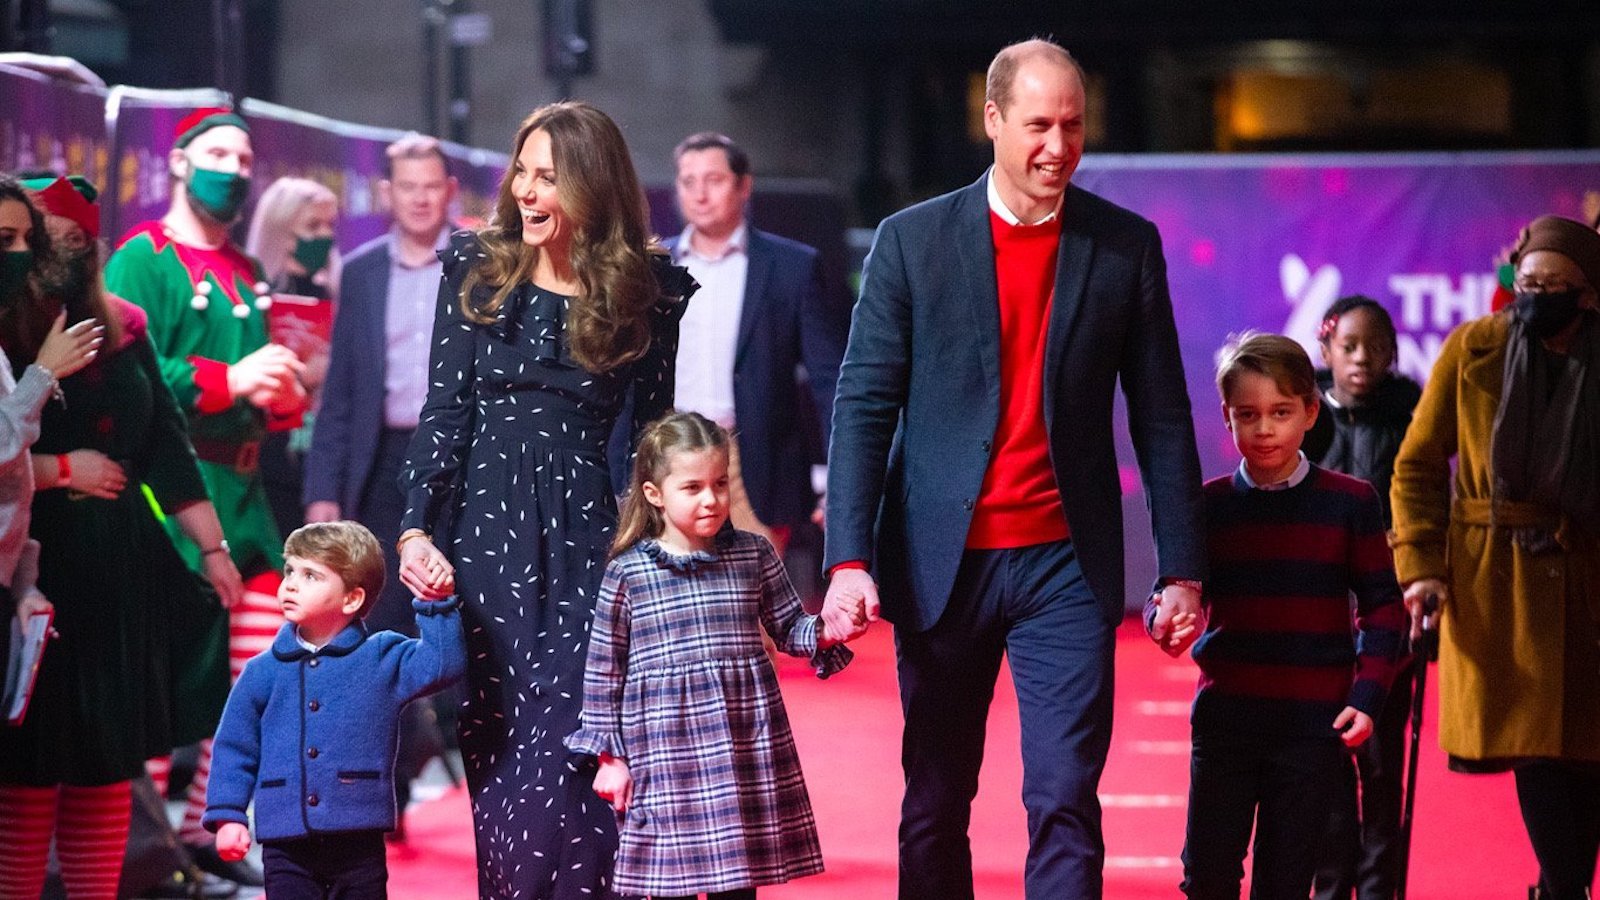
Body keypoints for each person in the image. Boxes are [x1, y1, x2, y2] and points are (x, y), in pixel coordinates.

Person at [820, 38, 1206, 898]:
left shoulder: (1123, 247)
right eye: (1038, 125)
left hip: (1065, 565)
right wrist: (846, 559)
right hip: (939, 563)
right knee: (935, 801)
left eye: (1073, 126)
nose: (1058, 148)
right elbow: (863, 404)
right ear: (991, 121)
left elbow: (1163, 415)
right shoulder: (911, 243)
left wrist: (1182, 567)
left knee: (1065, 797)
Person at [395, 101, 697, 898]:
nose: (527, 192)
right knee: (498, 744)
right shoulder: (477, 269)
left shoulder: (648, 292)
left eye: (548, 178)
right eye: (522, 172)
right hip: (484, 544)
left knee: (577, 743)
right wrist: (415, 530)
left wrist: (669, 550)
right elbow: (444, 412)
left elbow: (653, 438)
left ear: (592, 189)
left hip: (591, 543)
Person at [0, 174, 245, 900]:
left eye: (79, 236)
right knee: (29, 766)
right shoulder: (9, 328)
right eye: (49, 237)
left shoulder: (124, 324)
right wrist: (60, 468)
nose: (64, 249)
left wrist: (214, 549)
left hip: (119, 568)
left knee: (108, 763)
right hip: (34, 569)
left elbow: (165, 445)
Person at [103, 106, 307, 889]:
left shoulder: (248, 272)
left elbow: (258, 389)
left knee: (251, 675)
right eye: (217, 151)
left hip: (246, 493)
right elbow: (126, 384)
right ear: (181, 163)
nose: (235, 166)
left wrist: (282, 395)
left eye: (245, 155)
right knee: (164, 677)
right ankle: (139, 845)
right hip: (175, 494)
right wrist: (228, 381)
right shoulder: (141, 259)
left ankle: (207, 832)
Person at [1149, 331, 1409, 899]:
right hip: (1225, 724)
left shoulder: (1350, 502)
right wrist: (1163, 622)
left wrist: (1366, 700)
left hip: (1311, 728)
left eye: (1281, 412)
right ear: (1227, 417)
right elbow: (1169, 590)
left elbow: (1385, 611)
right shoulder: (1208, 506)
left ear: (1311, 411)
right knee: (1207, 876)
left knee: (1286, 881)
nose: (1265, 428)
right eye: (1248, 414)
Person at [1390, 215, 1600, 900]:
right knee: (1537, 747)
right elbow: (1418, 465)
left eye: (1555, 285)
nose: (1536, 295)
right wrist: (1420, 566)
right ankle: (1560, 888)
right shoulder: (1475, 346)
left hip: (1591, 577)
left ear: (1590, 293)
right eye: (1527, 281)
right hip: (1499, 583)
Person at [565, 412, 854, 900]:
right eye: (693, 487)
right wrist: (610, 758)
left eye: (719, 484)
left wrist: (829, 630)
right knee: (671, 882)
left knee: (738, 885)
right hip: (663, 757)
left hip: (738, 749)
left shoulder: (753, 554)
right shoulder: (630, 573)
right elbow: (603, 671)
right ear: (655, 494)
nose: (712, 499)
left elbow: (788, 627)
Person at [301, 132, 459, 841]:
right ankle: (387, 793)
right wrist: (323, 495)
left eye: (433, 184)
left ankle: (477, 763)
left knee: (469, 614)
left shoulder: (480, 265)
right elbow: (339, 394)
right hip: (382, 465)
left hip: (466, 460)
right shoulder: (362, 272)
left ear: (449, 191)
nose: (421, 197)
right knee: (380, 632)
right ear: (388, 194)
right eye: (408, 185)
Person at [202, 520, 465, 899]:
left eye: (311, 576)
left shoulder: (381, 657)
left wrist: (436, 603)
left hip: (358, 839)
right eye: (290, 570)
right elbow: (235, 747)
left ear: (352, 599)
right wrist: (228, 815)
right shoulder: (262, 672)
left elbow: (443, 663)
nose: (290, 583)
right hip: (285, 843)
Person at [657, 132, 846, 553]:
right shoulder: (653, 267)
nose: (699, 194)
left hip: (752, 460)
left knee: (751, 607)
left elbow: (830, 381)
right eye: (688, 182)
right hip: (668, 449)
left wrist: (843, 478)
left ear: (744, 186)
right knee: (671, 606)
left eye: (714, 180)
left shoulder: (791, 267)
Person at [1304, 296, 1424, 900]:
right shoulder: (1304, 413)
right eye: (1349, 346)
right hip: (1321, 613)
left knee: (1381, 770)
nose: (1362, 359)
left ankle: (1379, 892)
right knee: (1326, 766)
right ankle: (1332, 887)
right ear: (1325, 350)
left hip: (1388, 610)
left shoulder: (1412, 412)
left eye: (1376, 347)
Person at [245, 176, 342, 537]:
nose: (325, 237)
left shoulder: (336, 293)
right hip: (270, 462)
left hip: (323, 460)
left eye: (329, 226)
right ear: (283, 232)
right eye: (313, 226)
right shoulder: (255, 297)